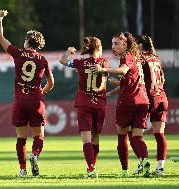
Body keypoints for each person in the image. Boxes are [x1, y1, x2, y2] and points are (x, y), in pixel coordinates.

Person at [0, 10, 54, 177]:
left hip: (20, 101)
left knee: (21, 138)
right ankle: (34, 155)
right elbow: (51, 82)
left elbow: (0, 38)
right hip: (36, 101)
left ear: (28, 42)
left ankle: (22, 170)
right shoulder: (43, 60)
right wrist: (40, 93)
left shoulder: (19, 53)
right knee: (39, 135)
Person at [90, 32, 151, 177]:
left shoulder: (127, 57)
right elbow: (131, 82)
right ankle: (144, 161)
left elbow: (123, 70)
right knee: (137, 137)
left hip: (128, 102)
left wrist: (103, 69)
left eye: (116, 43)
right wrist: (112, 92)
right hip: (143, 101)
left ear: (125, 44)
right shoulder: (137, 58)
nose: (113, 47)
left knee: (122, 136)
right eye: (112, 43)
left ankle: (124, 171)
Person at [60, 37, 109, 178]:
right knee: (96, 137)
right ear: (99, 48)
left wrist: (69, 51)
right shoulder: (105, 63)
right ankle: (93, 166)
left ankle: (91, 168)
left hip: (84, 103)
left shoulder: (80, 63)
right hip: (100, 104)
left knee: (86, 139)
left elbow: (62, 61)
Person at [130, 35, 168, 176]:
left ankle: (142, 163)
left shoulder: (141, 59)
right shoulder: (155, 58)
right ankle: (160, 168)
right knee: (159, 134)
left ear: (139, 45)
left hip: (148, 98)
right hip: (161, 97)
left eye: (133, 44)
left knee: (133, 133)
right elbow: (162, 79)